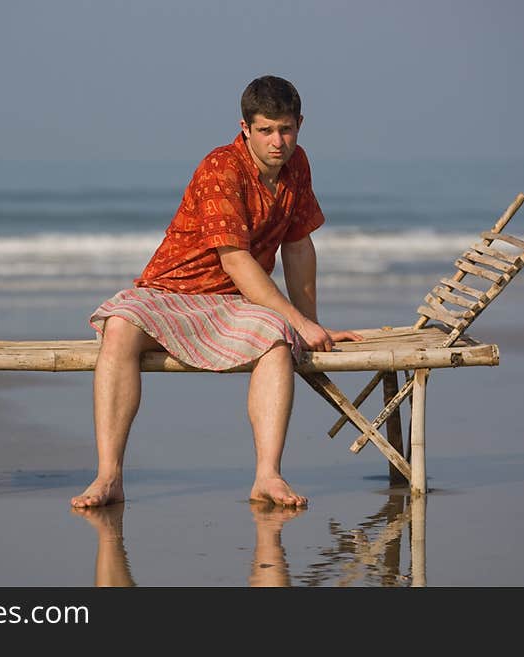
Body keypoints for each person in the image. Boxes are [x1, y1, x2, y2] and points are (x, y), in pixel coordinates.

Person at [71, 75, 361, 509]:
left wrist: (309, 324)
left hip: (233, 303)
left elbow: (298, 243)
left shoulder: (298, 165)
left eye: (285, 129)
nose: (277, 141)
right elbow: (236, 260)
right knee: (119, 326)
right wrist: (298, 320)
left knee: (276, 338)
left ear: (300, 124)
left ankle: (268, 475)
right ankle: (108, 476)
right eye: (265, 130)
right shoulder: (221, 167)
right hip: (172, 291)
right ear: (245, 128)